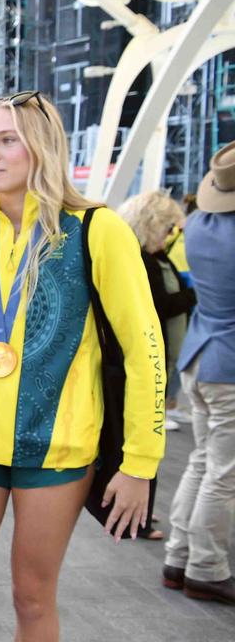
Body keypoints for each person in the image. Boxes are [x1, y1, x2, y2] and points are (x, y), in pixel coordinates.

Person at [0, 91, 164, 640]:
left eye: (8, 140)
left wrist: (140, 463)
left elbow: (144, 346)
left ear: (43, 147)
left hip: (57, 452)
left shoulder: (96, 230)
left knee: (32, 597)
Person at [164, 140, 235, 603]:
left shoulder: (201, 226)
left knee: (203, 460)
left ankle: (178, 553)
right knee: (224, 472)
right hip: (228, 363)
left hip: (198, 355)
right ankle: (206, 567)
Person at [119, 191, 195, 438]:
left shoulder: (154, 256)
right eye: (167, 228)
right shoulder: (142, 260)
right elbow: (159, 304)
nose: (170, 233)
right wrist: (196, 294)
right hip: (147, 349)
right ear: (152, 225)